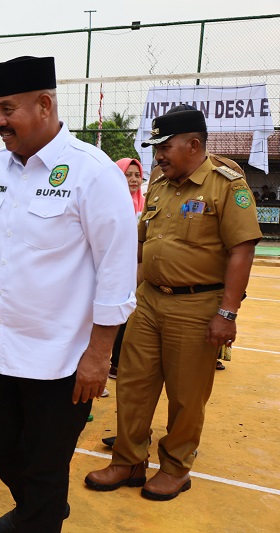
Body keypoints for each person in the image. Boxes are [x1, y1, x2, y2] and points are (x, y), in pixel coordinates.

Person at [0, 56, 137, 533]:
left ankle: (38, 514)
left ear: (44, 104)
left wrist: (100, 355)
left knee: (46, 461)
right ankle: (43, 506)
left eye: (8, 108)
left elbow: (117, 274)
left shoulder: (92, 173)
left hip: (62, 361)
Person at [85, 105, 262, 501]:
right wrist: (119, 297)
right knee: (133, 384)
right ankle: (128, 460)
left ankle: (176, 468)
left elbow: (242, 250)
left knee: (186, 395)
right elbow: (141, 245)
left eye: (164, 147)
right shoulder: (160, 186)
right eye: (156, 147)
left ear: (193, 144)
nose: (158, 155)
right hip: (148, 302)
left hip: (198, 306)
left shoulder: (226, 183)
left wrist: (227, 314)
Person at [108, 157, 146, 380]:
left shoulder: (146, 203)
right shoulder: (111, 203)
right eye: (127, 175)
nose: (133, 180)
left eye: (137, 175)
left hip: (138, 273)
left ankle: (120, 363)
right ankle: (110, 365)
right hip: (115, 271)